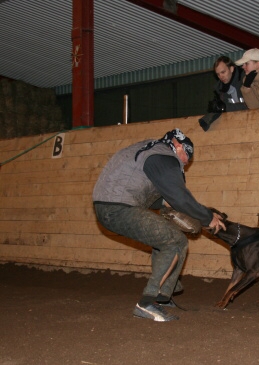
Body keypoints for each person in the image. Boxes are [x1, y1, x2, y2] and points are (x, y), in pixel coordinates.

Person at [92, 128, 225, 322]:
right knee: (175, 241)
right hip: (118, 207)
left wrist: (166, 203)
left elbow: (144, 190)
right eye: (186, 155)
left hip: (109, 205)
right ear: (178, 146)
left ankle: (163, 296)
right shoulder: (164, 156)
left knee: (164, 238)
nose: (186, 162)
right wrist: (207, 217)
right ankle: (147, 302)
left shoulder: (147, 149)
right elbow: (180, 197)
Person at [199, 56, 248, 131]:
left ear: (231, 69)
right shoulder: (220, 90)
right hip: (236, 127)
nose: (221, 76)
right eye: (218, 74)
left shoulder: (245, 80)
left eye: (223, 72)